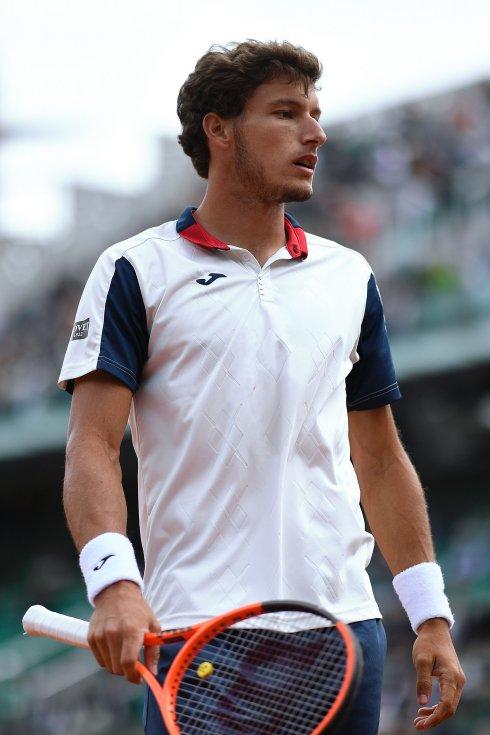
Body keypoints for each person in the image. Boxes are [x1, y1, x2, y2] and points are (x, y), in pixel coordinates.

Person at [59, 40, 466, 735]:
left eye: (315, 112)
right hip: (199, 637)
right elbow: (93, 445)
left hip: (346, 633)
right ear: (219, 129)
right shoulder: (135, 270)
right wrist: (115, 583)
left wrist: (430, 613)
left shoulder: (350, 277)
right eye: (286, 113)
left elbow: (380, 457)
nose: (316, 132)